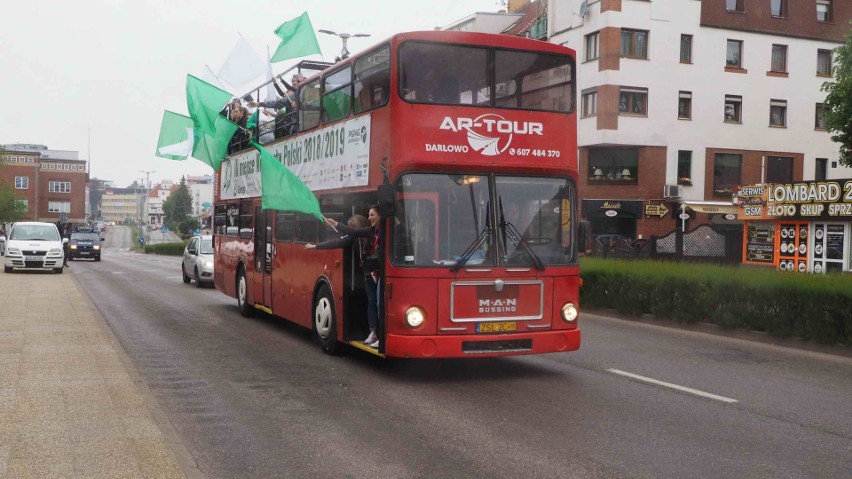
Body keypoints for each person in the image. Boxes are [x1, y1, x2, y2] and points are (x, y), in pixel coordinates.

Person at [306, 207, 383, 348]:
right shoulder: (356, 236)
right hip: (367, 275)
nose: (351, 231)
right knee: (372, 302)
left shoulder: (373, 233)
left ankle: (380, 334)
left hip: (379, 274)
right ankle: (373, 332)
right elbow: (336, 243)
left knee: (379, 303)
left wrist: (336, 225)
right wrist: (316, 247)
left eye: (372, 214)